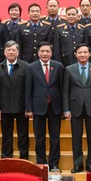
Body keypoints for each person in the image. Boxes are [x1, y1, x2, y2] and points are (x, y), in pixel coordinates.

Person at [62, 44, 91, 173]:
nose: (82, 55)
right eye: (80, 52)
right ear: (75, 54)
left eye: (85, 52)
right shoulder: (69, 69)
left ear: (89, 54)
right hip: (75, 107)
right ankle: (77, 165)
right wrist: (66, 109)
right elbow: (65, 92)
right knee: (76, 138)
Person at [28, 42, 64, 170]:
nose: (44, 53)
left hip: (55, 107)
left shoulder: (58, 66)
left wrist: (64, 108)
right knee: (39, 137)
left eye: (47, 51)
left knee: (55, 137)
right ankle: (41, 163)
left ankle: (54, 163)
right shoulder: (31, 67)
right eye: (42, 51)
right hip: (38, 107)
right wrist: (29, 108)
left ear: (51, 53)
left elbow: (62, 88)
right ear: (38, 53)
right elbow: (29, 89)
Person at [0, 41, 32, 159]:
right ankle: (6, 159)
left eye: (13, 50)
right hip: (4, 107)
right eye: (8, 50)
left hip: (21, 107)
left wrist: (28, 107)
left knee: (23, 136)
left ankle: (24, 159)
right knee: (6, 136)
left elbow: (29, 89)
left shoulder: (26, 67)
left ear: (18, 52)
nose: (11, 52)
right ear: (4, 52)